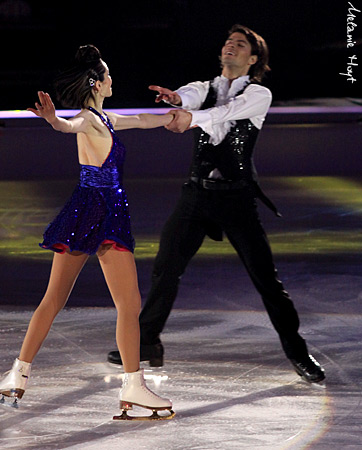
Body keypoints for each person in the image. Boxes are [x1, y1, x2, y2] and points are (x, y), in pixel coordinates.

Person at [108, 25, 325, 384]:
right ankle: (147, 341)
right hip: (196, 196)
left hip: (237, 199)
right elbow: (189, 96)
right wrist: (176, 100)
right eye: (227, 42)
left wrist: (190, 118)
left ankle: (298, 352)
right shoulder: (204, 88)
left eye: (239, 44)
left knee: (266, 279)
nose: (230, 46)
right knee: (166, 268)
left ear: (253, 59)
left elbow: (226, 112)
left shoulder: (259, 95)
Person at [0, 45, 175, 420]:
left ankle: (18, 374)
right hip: (100, 210)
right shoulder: (88, 120)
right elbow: (68, 126)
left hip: (90, 209)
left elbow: (141, 120)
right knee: (127, 304)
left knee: (55, 299)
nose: (112, 80)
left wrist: (176, 116)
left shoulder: (105, 118)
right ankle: (133, 385)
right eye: (107, 75)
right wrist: (53, 120)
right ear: (96, 82)